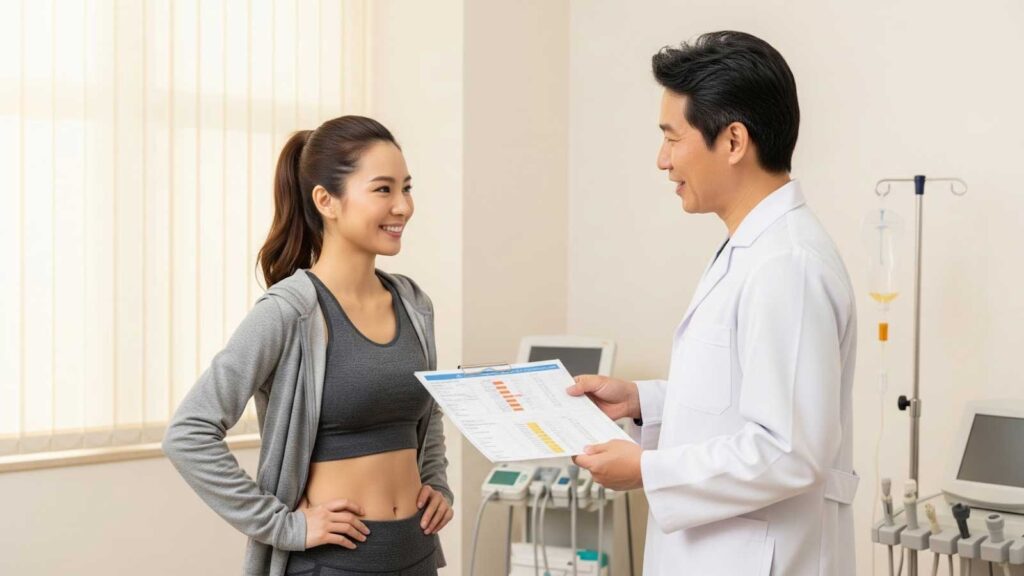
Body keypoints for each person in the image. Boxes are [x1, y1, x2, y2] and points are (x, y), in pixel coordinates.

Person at [569, 31, 859, 575]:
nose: (662, 160)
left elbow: (791, 449)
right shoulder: (751, 249)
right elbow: (743, 396)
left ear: (732, 142)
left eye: (672, 138)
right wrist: (641, 402)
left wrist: (647, 470)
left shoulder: (787, 264)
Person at [163, 115, 453, 576]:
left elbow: (427, 411)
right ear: (326, 201)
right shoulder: (288, 312)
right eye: (383, 189)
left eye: (407, 188)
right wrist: (284, 527)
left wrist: (437, 483)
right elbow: (188, 433)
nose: (403, 207)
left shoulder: (413, 303)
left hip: (415, 554)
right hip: (331, 564)